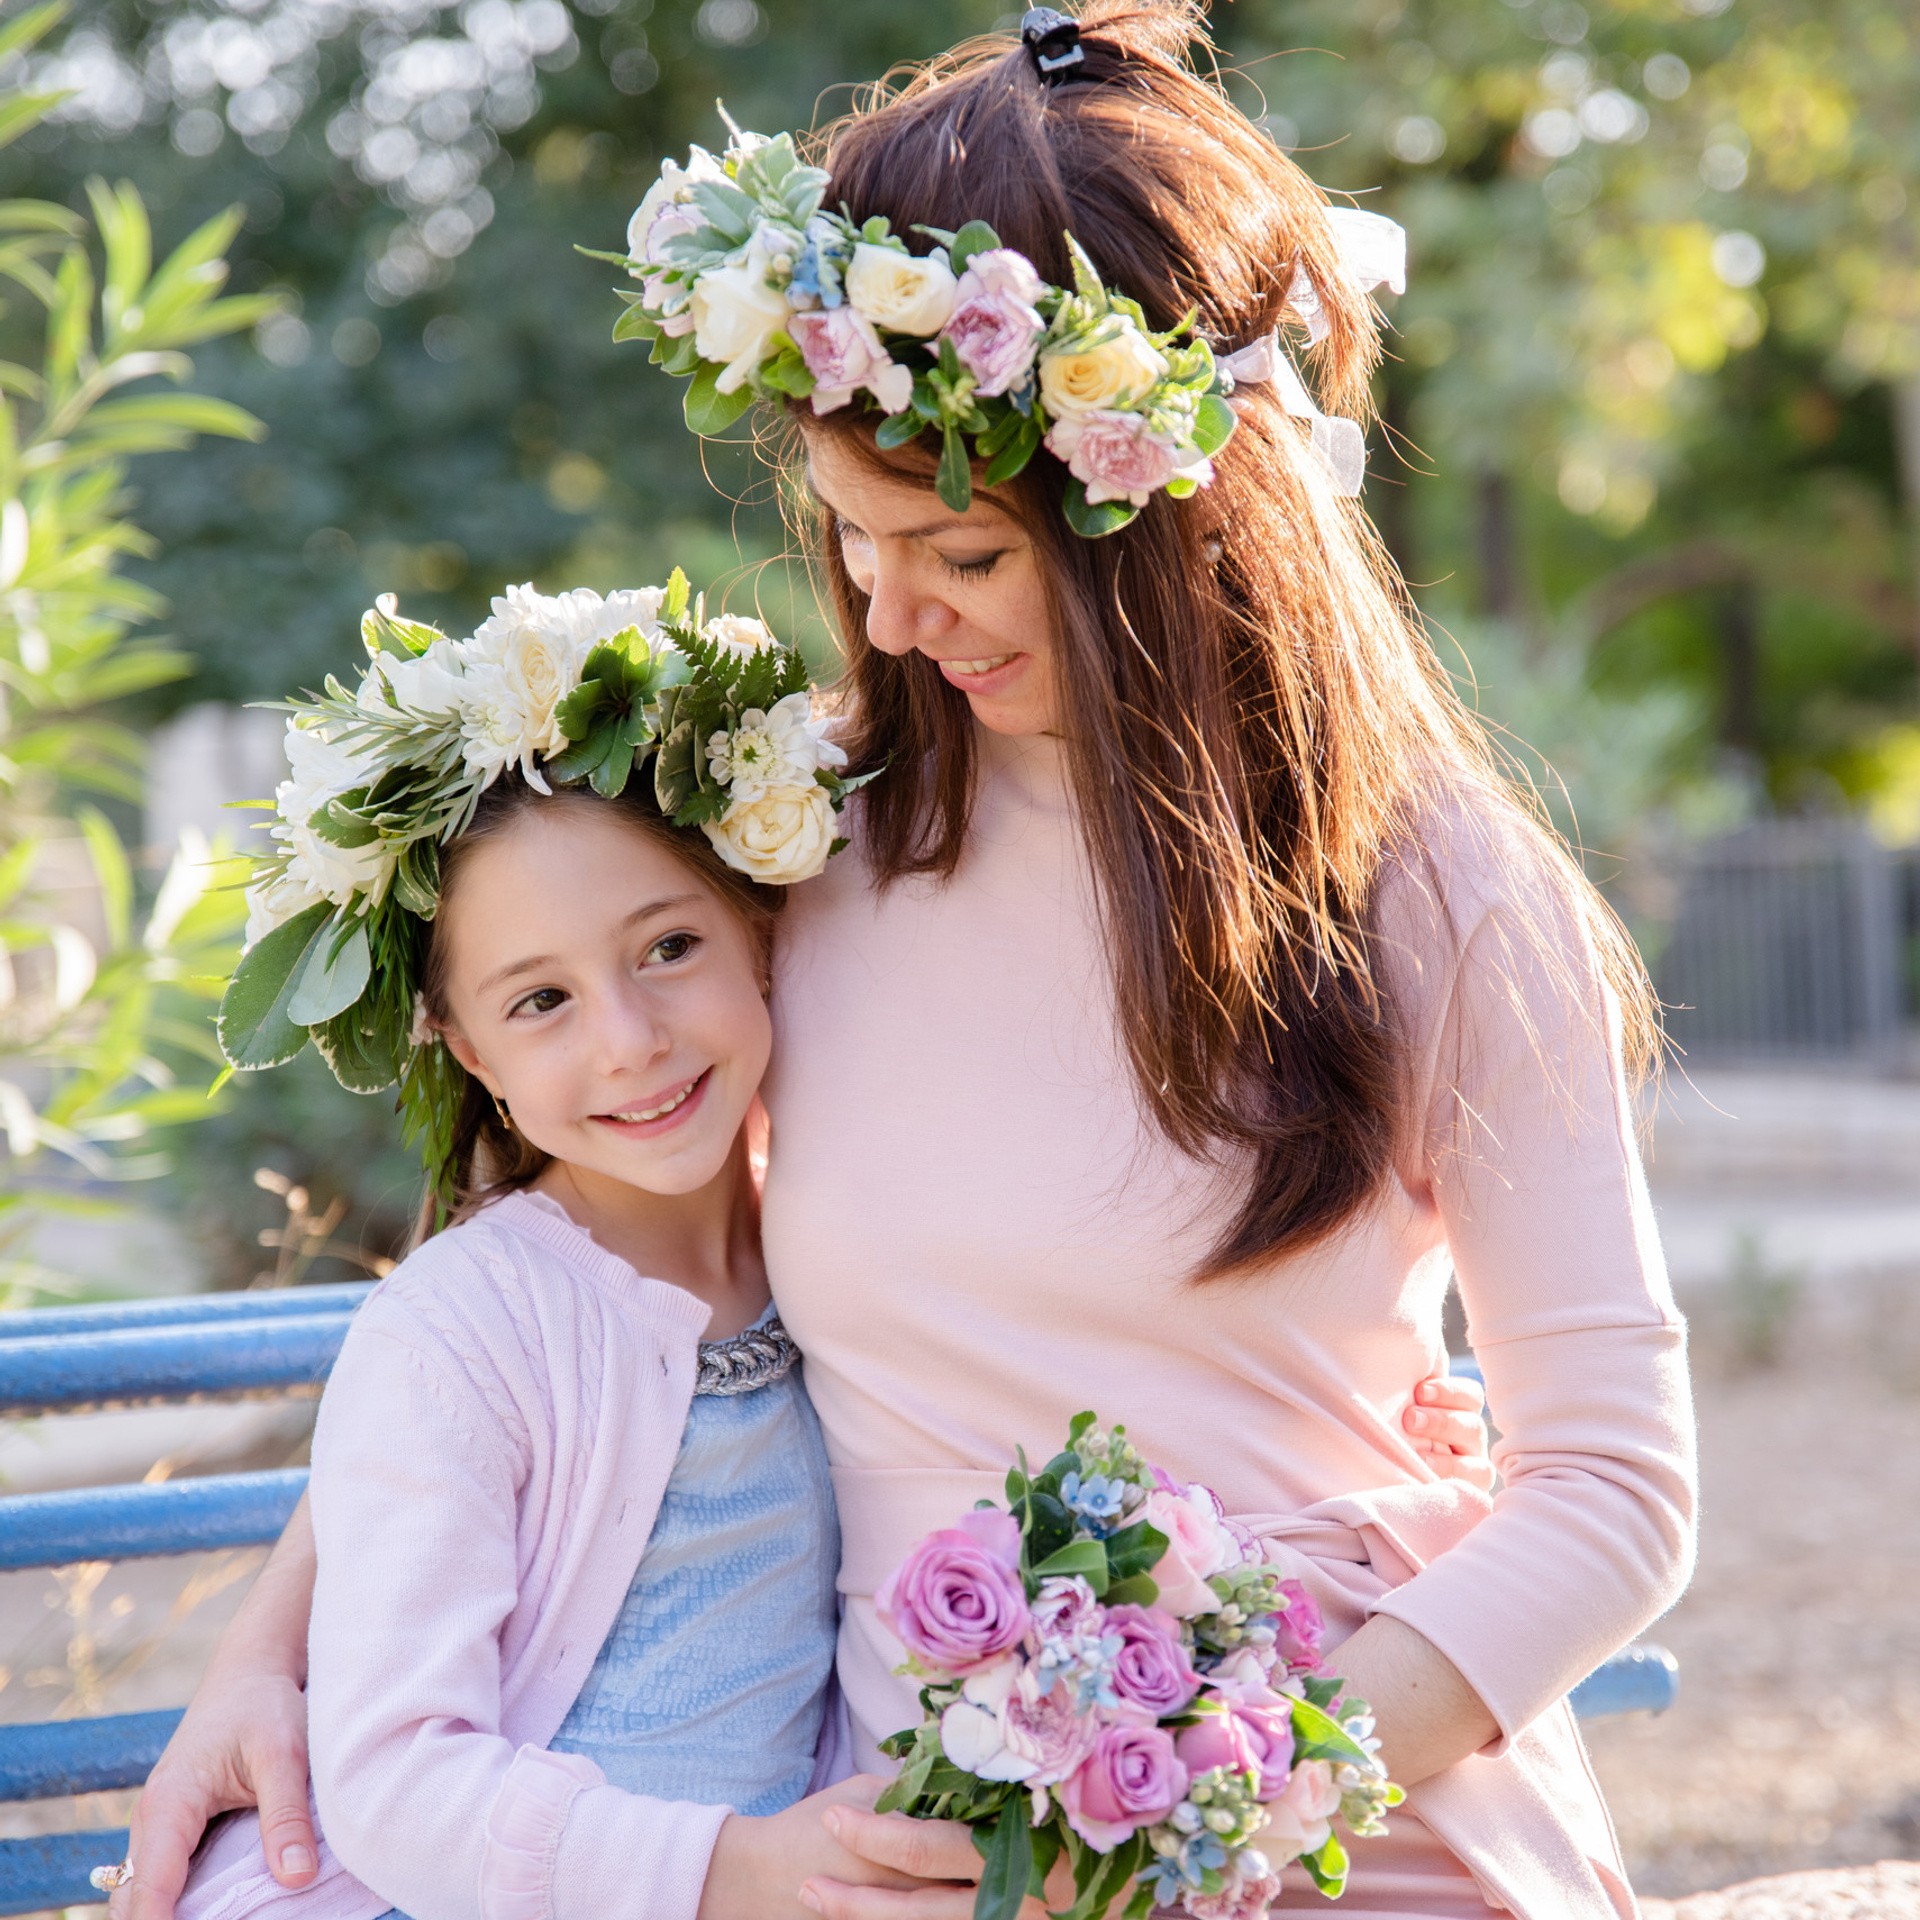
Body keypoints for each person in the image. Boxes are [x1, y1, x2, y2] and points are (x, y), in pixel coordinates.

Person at [116, 4, 1688, 1918]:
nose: (888, 610)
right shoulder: (804, 839)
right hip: (931, 1854)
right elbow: (566, 1264)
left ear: (1166, 523)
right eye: (851, 542)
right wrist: (272, 1644)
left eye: (956, 549)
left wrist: (1218, 1802)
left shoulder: (1433, 892)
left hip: (1356, 1811)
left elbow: (1611, 1489)